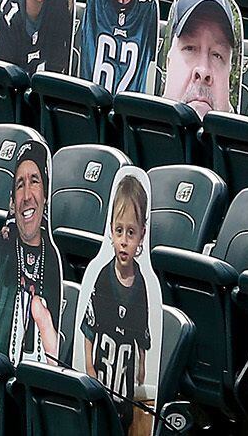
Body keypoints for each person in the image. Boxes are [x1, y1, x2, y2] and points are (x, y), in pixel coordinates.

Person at [72, 167, 163, 433]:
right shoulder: (101, 276)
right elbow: (88, 329)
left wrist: (143, 370)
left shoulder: (144, 285)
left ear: (142, 235)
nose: (124, 241)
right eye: (119, 231)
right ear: (111, 229)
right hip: (100, 380)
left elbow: (142, 336)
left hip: (124, 386)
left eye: (131, 233)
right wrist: (89, 367)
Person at [0, 140, 66, 360]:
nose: (26, 196)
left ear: (45, 195)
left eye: (34, 181)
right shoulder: (2, 246)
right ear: (13, 202)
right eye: (19, 185)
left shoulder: (53, 258)